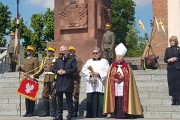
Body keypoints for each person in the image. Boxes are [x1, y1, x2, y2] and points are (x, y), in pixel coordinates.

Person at [103, 43, 143, 119]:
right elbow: (109, 76)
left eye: (120, 56)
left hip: (124, 86)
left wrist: (124, 77)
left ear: (123, 57)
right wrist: (113, 78)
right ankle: (115, 114)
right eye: (117, 56)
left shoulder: (126, 65)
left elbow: (130, 77)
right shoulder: (112, 65)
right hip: (115, 85)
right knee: (116, 98)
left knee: (123, 98)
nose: (118, 57)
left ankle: (124, 114)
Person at [81, 47, 109, 118]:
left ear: (100, 53)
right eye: (93, 53)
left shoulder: (104, 61)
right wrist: (90, 74)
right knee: (91, 96)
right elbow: (83, 70)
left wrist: (99, 74)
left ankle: (100, 114)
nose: (95, 54)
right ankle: (91, 114)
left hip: (100, 82)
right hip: (91, 83)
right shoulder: (89, 61)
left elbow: (107, 71)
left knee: (99, 97)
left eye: (96, 53)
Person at [52, 45, 77, 120]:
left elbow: (74, 69)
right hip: (59, 82)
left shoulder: (72, 59)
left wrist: (66, 71)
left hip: (68, 81)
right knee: (59, 99)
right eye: (61, 51)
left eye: (64, 51)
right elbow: (53, 69)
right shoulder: (58, 60)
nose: (62, 53)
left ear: (67, 51)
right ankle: (59, 115)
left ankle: (70, 114)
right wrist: (58, 71)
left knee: (69, 99)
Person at [32, 47, 57, 117]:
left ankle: (54, 112)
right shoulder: (44, 59)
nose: (48, 53)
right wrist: (33, 75)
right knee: (45, 94)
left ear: (53, 52)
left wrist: (56, 78)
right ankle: (46, 111)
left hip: (53, 79)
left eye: (50, 51)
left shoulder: (56, 59)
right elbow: (41, 70)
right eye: (48, 51)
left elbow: (57, 69)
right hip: (46, 79)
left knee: (53, 95)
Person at [19, 45, 39, 117]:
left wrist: (35, 77)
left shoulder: (35, 59)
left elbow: (36, 70)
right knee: (26, 96)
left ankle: (31, 112)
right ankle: (27, 111)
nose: (28, 51)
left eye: (29, 50)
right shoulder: (24, 60)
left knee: (31, 97)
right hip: (26, 79)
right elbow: (24, 69)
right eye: (27, 50)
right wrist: (20, 69)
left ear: (32, 51)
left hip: (32, 79)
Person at [164, 36, 180, 105]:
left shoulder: (179, 49)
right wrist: (168, 60)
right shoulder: (167, 49)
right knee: (171, 84)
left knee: (177, 84)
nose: (171, 42)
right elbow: (165, 59)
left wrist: (176, 58)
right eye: (170, 41)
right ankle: (173, 99)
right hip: (170, 68)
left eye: (173, 41)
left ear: (175, 41)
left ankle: (178, 99)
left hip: (177, 68)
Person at [68, 46, 83, 117]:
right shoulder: (66, 59)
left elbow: (79, 69)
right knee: (69, 95)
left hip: (75, 79)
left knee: (75, 95)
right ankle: (70, 111)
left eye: (72, 51)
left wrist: (70, 73)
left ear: (74, 51)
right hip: (68, 80)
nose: (70, 52)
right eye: (69, 51)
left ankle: (75, 112)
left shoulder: (78, 59)